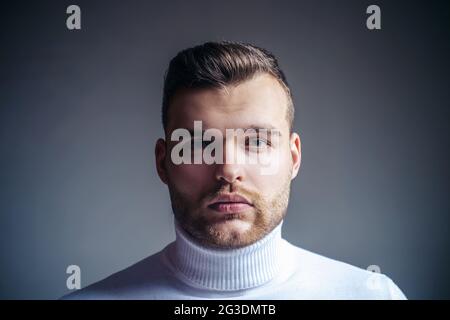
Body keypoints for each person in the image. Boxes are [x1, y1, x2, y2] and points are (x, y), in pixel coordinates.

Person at [64, 41, 406, 299]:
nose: (228, 169)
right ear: (162, 162)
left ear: (294, 158)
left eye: (257, 142)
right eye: (198, 144)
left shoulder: (373, 295)